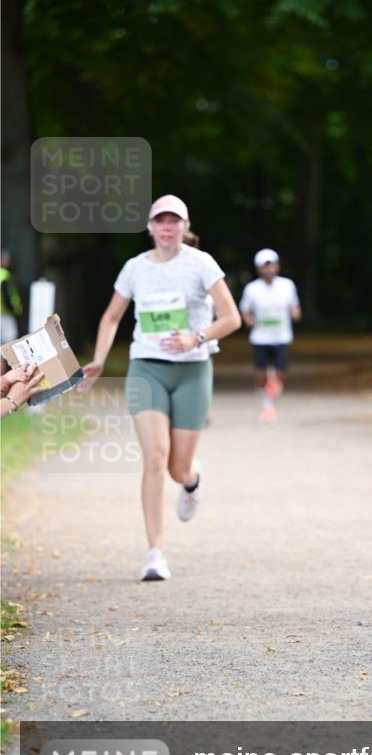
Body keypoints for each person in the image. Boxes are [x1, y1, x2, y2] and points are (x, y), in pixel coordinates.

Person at [81, 194, 241, 581]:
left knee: (176, 468)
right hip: (146, 369)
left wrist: (195, 337)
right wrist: (100, 360)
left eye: (175, 221)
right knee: (154, 457)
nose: (167, 228)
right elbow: (112, 316)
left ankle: (192, 480)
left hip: (191, 371)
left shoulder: (201, 264)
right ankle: (155, 553)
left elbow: (231, 317)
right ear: (150, 227)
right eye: (160, 221)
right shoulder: (135, 268)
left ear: (185, 227)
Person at [239, 249, 301, 424]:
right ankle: (267, 404)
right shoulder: (252, 289)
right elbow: (245, 310)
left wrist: (295, 313)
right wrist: (248, 320)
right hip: (261, 337)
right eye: (265, 266)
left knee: (281, 373)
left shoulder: (287, 285)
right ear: (259, 269)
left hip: (282, 336)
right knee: (261, 374)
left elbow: (295, 307)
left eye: (271, 265)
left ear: (277, 266)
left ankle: (271, 400)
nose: (269, 269)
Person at [1, 250, 23, 354]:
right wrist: (14, 310)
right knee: (11, 346)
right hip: (6, 315)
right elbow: (7, 296)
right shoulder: (4, 274)